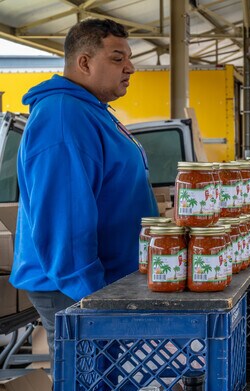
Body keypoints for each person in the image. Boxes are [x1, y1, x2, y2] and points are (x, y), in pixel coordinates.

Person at [10, 18, 158, 357]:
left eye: (129, 58)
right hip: (76, 287)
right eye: (118, 58)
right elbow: (65, 219)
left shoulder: (92, 111)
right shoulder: (63, 117)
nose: (130, 68)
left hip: (105, 283)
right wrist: (94, 301)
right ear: (85, 62)